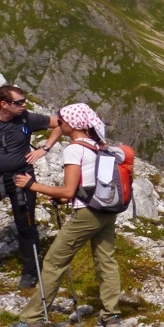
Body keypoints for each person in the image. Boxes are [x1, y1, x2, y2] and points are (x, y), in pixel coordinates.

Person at [13, 103, 122, 327]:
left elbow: (68, 191)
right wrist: (66, 198)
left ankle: (32, 318)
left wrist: (32, 185)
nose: (59, 124)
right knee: (106, 261)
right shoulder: (97, 145)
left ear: (73, 124)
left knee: (54, 262)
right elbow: (88, 184)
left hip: (87, 214)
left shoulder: (73, 149)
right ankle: (111, 315)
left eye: (61, 121)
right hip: (106, 211)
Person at [0, 85, 59, 288]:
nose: (24, 105)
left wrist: (45, 149)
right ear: (4, 104)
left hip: (21, 177)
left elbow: (61, 124)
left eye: (24, 101)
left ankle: (30, 272)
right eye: (19, 102)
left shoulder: (27, 119)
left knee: (25, 223)